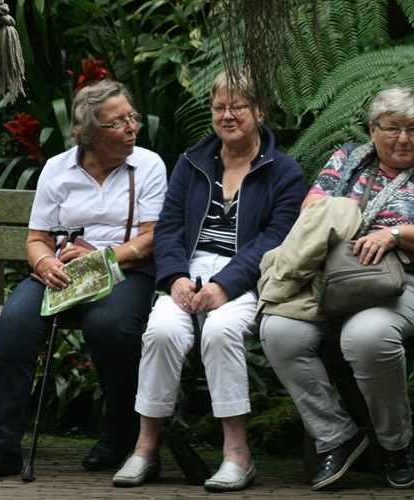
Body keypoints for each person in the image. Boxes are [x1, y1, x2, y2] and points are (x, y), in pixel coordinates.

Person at [257, 87, 414, 491]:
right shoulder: (346, 159)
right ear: (373, 130)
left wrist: (397, 233)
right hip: (335, 280)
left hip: (405, 284)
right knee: (279, 333)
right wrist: (350, 225)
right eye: (392, 129)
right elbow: (312, 213)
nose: (404, 139)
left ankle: (396, 445)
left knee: (367, 335)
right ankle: (338, 436)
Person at [0, 80, 168, 480]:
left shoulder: (149, 165)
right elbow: (37, 239)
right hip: (61, 273)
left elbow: (151, 238)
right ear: (90, 134)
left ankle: (121, 435)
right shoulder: (58, 169)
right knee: (15, 324)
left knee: (110, 326)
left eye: (131, 117)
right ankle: (0, 447)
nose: (131, 128)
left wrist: (102, 257)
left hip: (123, 272)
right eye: (117, 122)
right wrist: (43, 266)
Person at [112, 68, 306, 491]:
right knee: (161, 330)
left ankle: (237, 454)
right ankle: (145, 449)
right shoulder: (191, 162)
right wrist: (176, 277)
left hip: (249, 279)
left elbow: (276, 240)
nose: (227, 115)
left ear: (259, 110)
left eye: (237, 106)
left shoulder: (285, 172)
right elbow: (168, 229)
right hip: (189, 271)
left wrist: (226, 284)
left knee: (220, 331)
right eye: (220, 107)